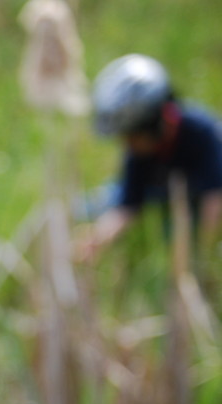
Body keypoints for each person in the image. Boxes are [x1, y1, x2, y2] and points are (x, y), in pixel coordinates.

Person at [78, 54, 222, 260]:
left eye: (131, 136)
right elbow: (128, 205)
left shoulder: (201, 132)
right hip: (162, 191)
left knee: (172, 230)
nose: (126, 144)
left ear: (155, 123)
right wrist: (98, 240)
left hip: (199, 193)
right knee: (90, 205)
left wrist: (205, 255)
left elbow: (214, 199)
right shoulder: (138, 153)